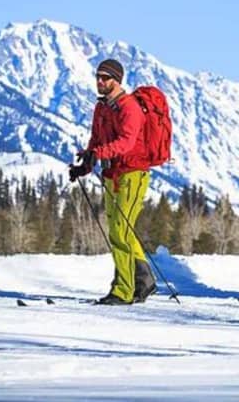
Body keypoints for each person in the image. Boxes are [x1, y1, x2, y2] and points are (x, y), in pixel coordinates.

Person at [69, 58, 156, 305]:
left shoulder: (130, 108)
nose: (99, 81)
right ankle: (144, 281)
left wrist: (99, 154)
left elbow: (126, 143)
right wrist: (84, 166)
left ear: (117, 80)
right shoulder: (102, 108)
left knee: (120, 231)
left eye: (105, 78)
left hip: (132, 173)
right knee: (122, 231)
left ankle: (123, 290)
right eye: (97, 77)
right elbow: (96, 140)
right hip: (111, 175)